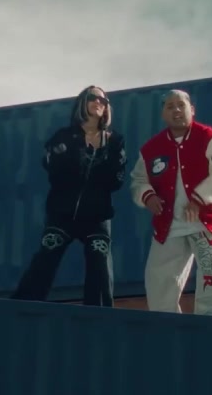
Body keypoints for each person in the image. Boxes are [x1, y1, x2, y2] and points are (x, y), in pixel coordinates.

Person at [12, 85, 127, 307]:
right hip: (62, 212)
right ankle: (21, 308)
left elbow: (116, 180)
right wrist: (80, 156)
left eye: (104, 100)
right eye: (93, 97)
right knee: (46, 257)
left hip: (97, 214)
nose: (99, 102)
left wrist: (96, 159)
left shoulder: (115, 140)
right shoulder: (63, 136)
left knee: (100, 262)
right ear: (82, 102)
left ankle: (99, 316)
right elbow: (54, 170)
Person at [129, 89, 212, 317]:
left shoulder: (211, 139)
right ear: (163, 114)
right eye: (170, 106)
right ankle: (165, 324)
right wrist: (148, 196)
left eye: (181, 105)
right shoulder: (151, 149)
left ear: (192, 110)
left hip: (205, 221)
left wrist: (199, 199)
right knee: (159, 279)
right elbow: (138, 180)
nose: (176, 110)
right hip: (169, 225)